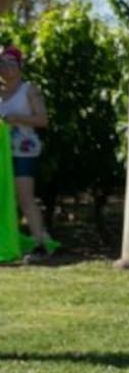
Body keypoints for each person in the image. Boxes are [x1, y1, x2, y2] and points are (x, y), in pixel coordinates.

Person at [0, 46, 51, 261]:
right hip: (2, 152)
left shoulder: (28, 90)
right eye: (2, 64)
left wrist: (17, 119)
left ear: (20, 67)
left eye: (12, 63)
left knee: (24, 196)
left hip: (24, 150)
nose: (6, 68)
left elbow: (43, 120)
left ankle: (40, 243)